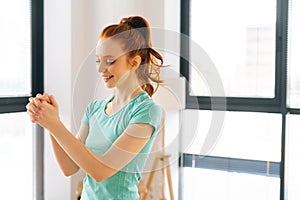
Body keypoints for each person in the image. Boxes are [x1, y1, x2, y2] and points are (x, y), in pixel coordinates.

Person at [26, 16, 164, 200]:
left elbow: (101, 170)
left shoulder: (146, 111)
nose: (101, 70)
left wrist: (55, 124)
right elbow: (69, 167)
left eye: (110, 61)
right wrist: (51, 123)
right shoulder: (95, 109)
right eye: (98, 61)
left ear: (134, 62)